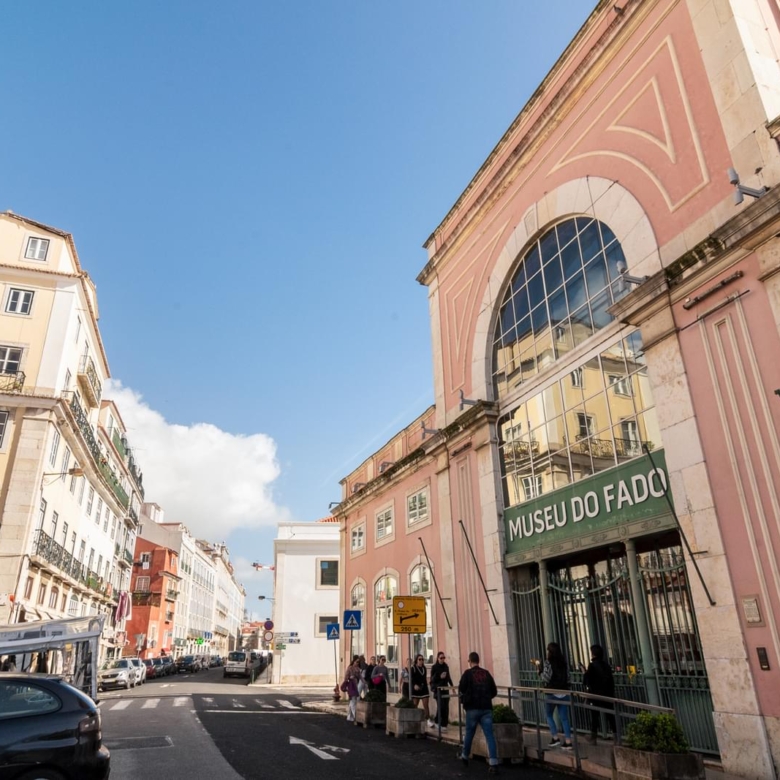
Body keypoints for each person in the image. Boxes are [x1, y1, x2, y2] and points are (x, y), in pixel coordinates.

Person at [457, 651, 499, 775]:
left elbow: (461, 688)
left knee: (469, 733)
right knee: (489, 735)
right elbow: (494, 690)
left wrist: (464, 699)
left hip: (472, 708)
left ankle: (465, 755)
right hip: (486, 708)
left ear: (469, 661)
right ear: (478, 661)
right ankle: (493, 762)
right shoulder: (486, 673)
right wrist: (487, 697)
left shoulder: (467, 674)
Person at [537, 642, 572, 750]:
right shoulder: (564, 662)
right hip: (564, 693)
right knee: (564, 718)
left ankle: (555, 738)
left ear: (550, 652)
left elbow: (546, 678)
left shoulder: (548, 662)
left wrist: (539, 672)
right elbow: (569, 678)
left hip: (552, 693)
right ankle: (568, 741)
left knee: (548, 715)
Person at [583, 644, 615, 744]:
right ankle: (616, 736)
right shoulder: (606, 665)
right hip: (608, 694)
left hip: (595, 695)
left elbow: (587, 681)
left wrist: (585, 673)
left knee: (594, 716)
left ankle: (593, 737)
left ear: (593, 654)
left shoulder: (592, 665)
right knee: (611, 716)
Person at [429, 650, 453, 730]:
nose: (442, 659)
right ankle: (438, 722)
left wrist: (452, 687)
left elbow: (449, 677)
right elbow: (432, 679)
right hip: (438, 689)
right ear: (438, 658)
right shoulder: (434, 667)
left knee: (446, 706)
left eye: (443, 658)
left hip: (445, 688)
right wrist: (439, 677)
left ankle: (444, 724)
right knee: (441, 706)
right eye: (441, 658)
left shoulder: (446, 666)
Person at [411, 654, 430, 719]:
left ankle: (427, 719)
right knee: (415, 705)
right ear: (416, 660)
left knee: (426, 705)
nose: (421, 661)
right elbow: (411, 678)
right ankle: (414, 719)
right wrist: (414, 685)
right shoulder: (413, 668)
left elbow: (424, 678)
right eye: (419, 659)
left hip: (424, 688)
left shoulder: (424, 668)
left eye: (422, 659)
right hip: (416, 689)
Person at [343, 656, 361, 722]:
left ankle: (349, 716)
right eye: (357, 662)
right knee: (353, 701)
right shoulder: (350, 668)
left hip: (356, 685)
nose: (357, 663)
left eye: (358, 662)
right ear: (353, 661)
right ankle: (356, 716)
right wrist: (350, 678)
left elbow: (360, 677)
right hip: (351, 686)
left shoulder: (358, 669)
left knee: (352, 701)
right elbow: (345, 677)